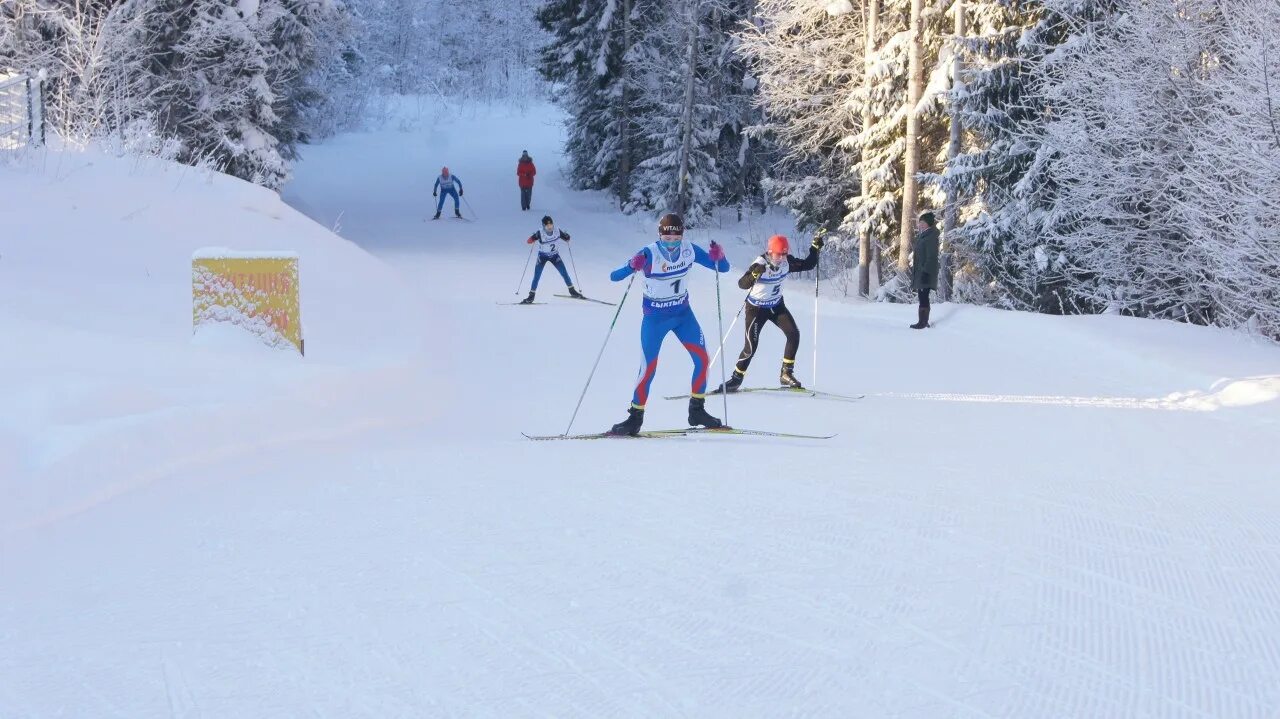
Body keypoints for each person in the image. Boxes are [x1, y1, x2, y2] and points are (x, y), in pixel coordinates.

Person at [606, 213, 731, 436]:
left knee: (702, 359)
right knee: (648, 368)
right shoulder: (649, 253)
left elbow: (723, 268)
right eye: (667, 238)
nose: (672, 243)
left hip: (683, 315)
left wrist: (718, 256)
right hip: (655, 318)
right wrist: (631, 266)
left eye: (676, 238)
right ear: (659, 235)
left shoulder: (689, 249)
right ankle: (634, 418)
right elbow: (614, 277)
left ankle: (697, 411)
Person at [714, 233, 822, 393]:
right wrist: (754, 275)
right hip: (756, 309)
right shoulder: (760, 263)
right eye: (779, 254)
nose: (781, 258)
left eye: (784, 254)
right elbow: (742, 284)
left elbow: (808, 264)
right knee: (751, 346)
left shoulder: (787, 262)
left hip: (776, 307)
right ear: (770, 251)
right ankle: (735, 379)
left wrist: (815, 248)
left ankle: (786, 373)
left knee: (793, 334)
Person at [521, 215, 583, 304]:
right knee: (537, 276)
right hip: (542, 257)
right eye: (547, 226)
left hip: (555, 256)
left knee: (564, 273)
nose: (550, 227)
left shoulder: (557, 231)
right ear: (543, 226)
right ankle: (531, 296)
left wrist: (567, 236)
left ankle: (572, 291)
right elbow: (528, 241)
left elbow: (567, 238)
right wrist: (533, 238)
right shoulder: (540, 233)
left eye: (551, 225)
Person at [911, 211, 940, 329]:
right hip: (921, 271)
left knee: (923, 296)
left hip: (926, 272)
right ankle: (921, 321)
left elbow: (931, 256)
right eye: (920, 222)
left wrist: (926, 272)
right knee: (921, 295)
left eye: (922, 222)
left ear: (928, 224)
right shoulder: (924, 235)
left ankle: (923, 322)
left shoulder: (930, 237)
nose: (920, 225)